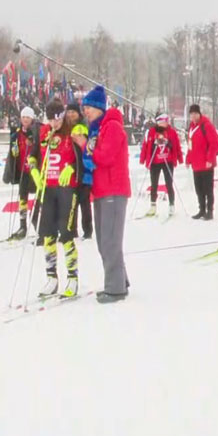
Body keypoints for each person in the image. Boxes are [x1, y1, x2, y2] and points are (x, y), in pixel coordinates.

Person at [81, 86, 131, 303]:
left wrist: (86, 147)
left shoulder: (112, 127)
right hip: (101, 190)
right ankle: (120, 280)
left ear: (100, 108)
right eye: (85, 108)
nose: (86, 112)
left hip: (113, 189)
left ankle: (115, 288)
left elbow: (105, 157)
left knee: (110, 240)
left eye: (89, 108)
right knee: (104, 240)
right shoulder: (97, 129)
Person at [33, 101, 83, 297]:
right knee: (47, 235)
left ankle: (72, 278)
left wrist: (72, 167)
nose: (55, 124)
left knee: (67, 234)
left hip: (66, 189)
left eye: (58, 120)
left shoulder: (72, 131)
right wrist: (34, 171)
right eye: (52, 121)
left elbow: (81, 159)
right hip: (48, 188)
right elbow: (33, 155)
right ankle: (52, 277)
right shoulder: (44, 132)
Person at [5, 107, 41, 240]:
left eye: (28, 117)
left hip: (35, 171)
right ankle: (22, 226)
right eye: (23, 117)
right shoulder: (16, 133)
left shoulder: (36, 131)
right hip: (22, 171)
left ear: (32, 119)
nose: (25, 119)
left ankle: (38, 222)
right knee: (22, 198)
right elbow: (13, 150)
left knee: (39, 195)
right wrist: (14, 151)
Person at [139, 113, 182, 217]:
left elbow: (176, 145)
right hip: (155, 161)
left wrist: (170, 146)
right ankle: (153, 206)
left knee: (169, 183)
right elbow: (146, 145)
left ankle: (172, 205)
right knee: (154, 184)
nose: (165, 124)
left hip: (168, 160)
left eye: (166, 122)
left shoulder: (172, 132)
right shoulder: (151, 132)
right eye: (162, 122)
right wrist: (143, 158)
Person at [186, 104, 218, 220]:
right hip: (196, 164)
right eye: (191, 114)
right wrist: (188, 159)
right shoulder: (191, 127)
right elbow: (190, 145)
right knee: (198, 188)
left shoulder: (206, 126)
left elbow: (214, 143)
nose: (193, 116)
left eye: (195, 113)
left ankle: (209, 211)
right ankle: (201, 209)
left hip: (206, 164)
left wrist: (210, 159)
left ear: (199, 114)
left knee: (207, 189)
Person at [67, 103, 94, 238]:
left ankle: (87, 230)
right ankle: (73, 230)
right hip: (73, 169)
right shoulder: (67, 127)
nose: (71, 114)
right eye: (69, 112)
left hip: (83, 169)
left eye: (74, 112)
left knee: (84, 201)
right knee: (73, 201)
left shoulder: (82, 126)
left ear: (78, 114)